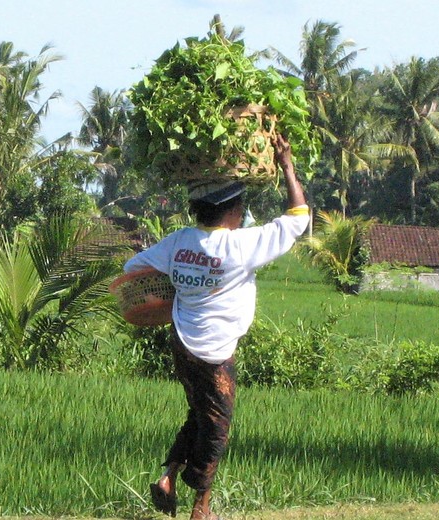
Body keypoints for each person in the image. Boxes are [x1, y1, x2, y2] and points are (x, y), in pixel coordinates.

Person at [122, 135, 309, 519]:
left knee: (198, 411)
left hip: (182, 343)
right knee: (218, 425)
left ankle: (169, 475)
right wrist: (286, 165)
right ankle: (201, 507)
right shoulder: (241, 246)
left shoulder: (180, 241)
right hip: (216, 351)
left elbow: (133, 269)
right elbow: (299, 217)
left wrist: (174, 292)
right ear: (233, 210)